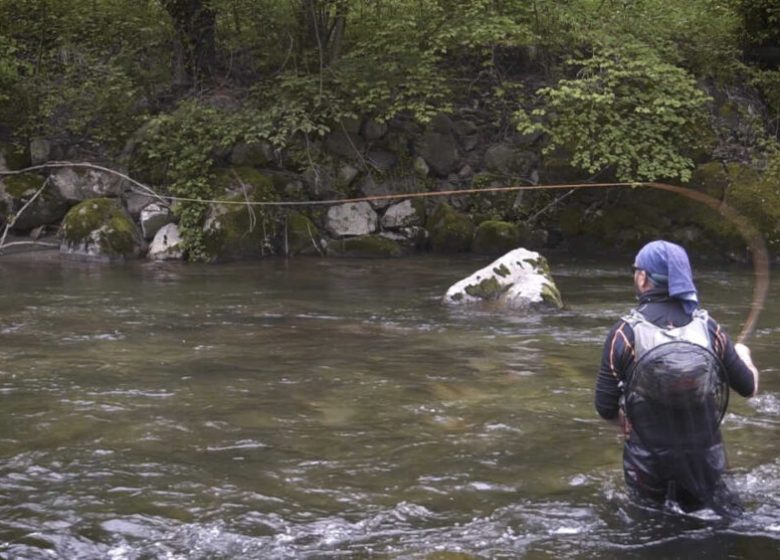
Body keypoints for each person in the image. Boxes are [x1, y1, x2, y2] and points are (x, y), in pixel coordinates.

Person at [595, 240, 759, 515]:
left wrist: (624, 424)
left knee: (650, 529)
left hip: (648, 465)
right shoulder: (708, 327)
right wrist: (743, 354)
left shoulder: (624, 333)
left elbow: (604, 406)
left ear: (643, 278)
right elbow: (749, 387)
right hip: (705, 461)